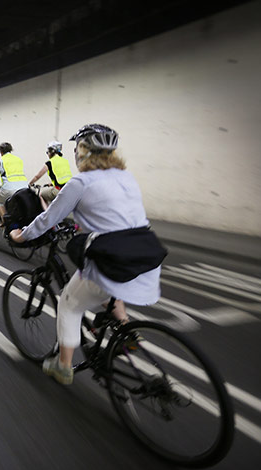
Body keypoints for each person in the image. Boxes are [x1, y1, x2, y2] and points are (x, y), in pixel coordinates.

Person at [10, 124, 161, 385]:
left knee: (69, 304)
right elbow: (113, 215)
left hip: (112, 258)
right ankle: (127, 333)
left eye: (77, 149)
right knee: (103, 290)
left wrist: (21, 235)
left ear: (82, 150)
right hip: (144, 255)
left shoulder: (81, 182)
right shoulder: (126, 177)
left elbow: (47, 219)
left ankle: (63, 366)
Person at [0, 142, 29, 224]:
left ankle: (5, 221)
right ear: (11, 150)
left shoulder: (0, 161)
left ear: (0, 151)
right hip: (24, 187)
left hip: (10, 188)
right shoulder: (18, 159)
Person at [29, 141, 73, 210]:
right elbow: (61, 175)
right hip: (69, 188)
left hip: (59, 190)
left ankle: (47, 215)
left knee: (41, 194)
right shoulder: (65, 161)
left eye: (47, 152)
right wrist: (51, 183)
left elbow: (37, 176)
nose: (47, 154)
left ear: (51, 151)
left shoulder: (50, 162)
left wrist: (29, 183)